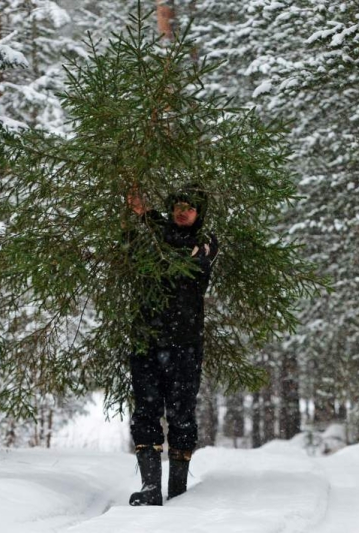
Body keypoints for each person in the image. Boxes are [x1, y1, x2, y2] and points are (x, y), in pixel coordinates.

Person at [124, 183, 219, 506]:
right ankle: (151, 488)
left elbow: (175, 252)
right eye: (177, 206)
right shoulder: (152, 235)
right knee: (146, 412)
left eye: (190, 208)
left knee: (181, 414)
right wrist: (140, 215)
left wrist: (147, 216)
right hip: (146, 340)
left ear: (199, 214)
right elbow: (135, 250)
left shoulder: (205, 243)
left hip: (185, 343)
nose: (182, 212)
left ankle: (178, 489)